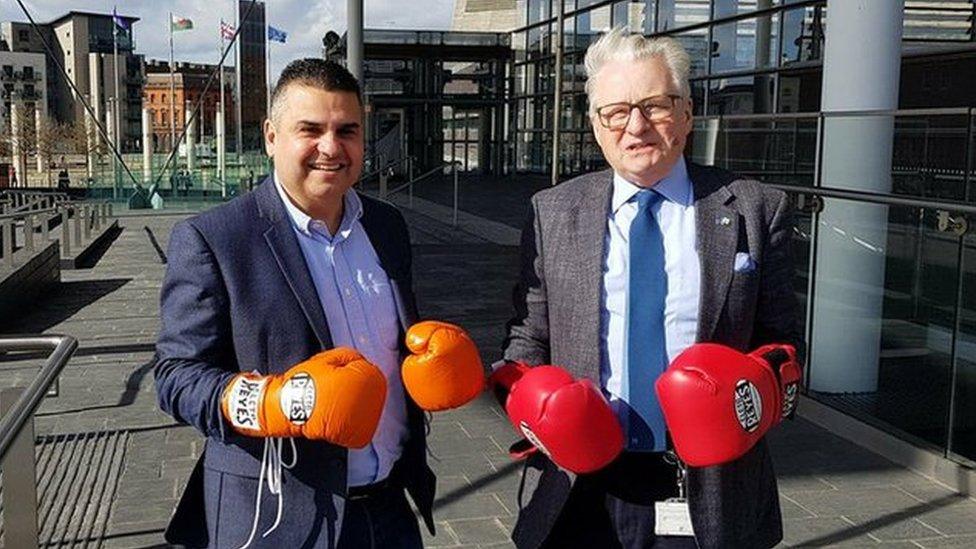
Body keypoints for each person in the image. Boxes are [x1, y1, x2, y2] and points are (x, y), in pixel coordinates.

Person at [154, 58, 481, 548]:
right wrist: (277, 402)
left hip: (391, 505)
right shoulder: (214, 238)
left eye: (347, 130)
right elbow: (176, 377)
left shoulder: (387, 225)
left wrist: (434, 371)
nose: (331, 147)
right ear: (271, 137)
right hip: (281, 516)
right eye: (310, 130)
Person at [498, 28, 801, 549]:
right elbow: (526, 338)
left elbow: (786, 345)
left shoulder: (754, 207)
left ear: (686, 114)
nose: (636, 126)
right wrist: (534, 411)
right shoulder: (552, 211)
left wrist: (752, 396)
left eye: (656, 105)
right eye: (616, 111)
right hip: (582, 482)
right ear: (596, 126)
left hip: (713, 485)